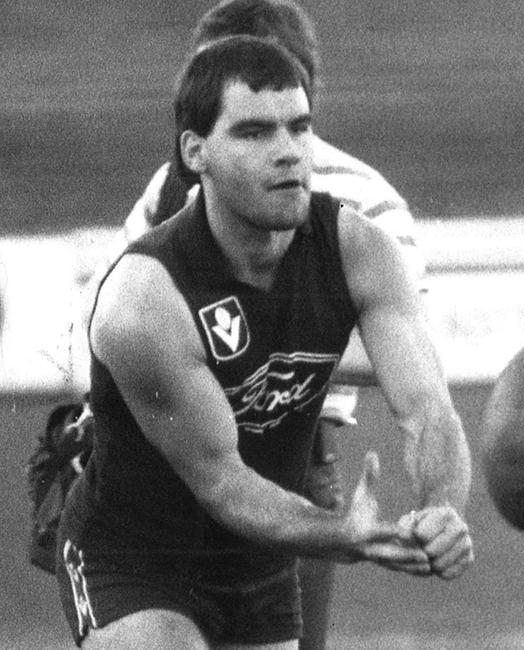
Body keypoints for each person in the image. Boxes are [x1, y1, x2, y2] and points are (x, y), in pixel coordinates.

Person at [56, 37, 473, 649]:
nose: (288, 153)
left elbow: (428, 409)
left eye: (298, 128)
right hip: (135, 559)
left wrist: (442, 508)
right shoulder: (144, 302)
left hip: (259, 563)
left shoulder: (360, 251)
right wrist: (343, 532)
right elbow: (223, 481)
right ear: (196, 153)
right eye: (254, 133)